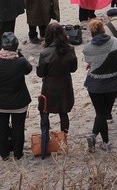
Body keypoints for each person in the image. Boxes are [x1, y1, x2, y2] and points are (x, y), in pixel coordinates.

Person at [0, 32, 32, 161]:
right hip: (19, 102)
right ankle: (17, 153)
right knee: (18, 128)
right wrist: (19, 54)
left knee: (2, 128)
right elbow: (29, 69)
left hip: (0, 103)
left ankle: (4, 154)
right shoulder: (20, 62)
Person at [36, 23, 77, 159]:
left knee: (44, 113)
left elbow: (40, 73)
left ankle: (44, 145)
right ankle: (63, 140)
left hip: (49, 87)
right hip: (64, 85)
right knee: (63, 112)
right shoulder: (69, 50)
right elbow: (73, 69)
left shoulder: (45, 53)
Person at [83, 19, 117, 153]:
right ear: (103, 30)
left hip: (94, 84)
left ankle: (97, 137)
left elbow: (90, 61)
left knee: (100, 113)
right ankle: (103, 141)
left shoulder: (87, 48)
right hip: (112, 83)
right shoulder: (115, 42)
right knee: (104, 113)